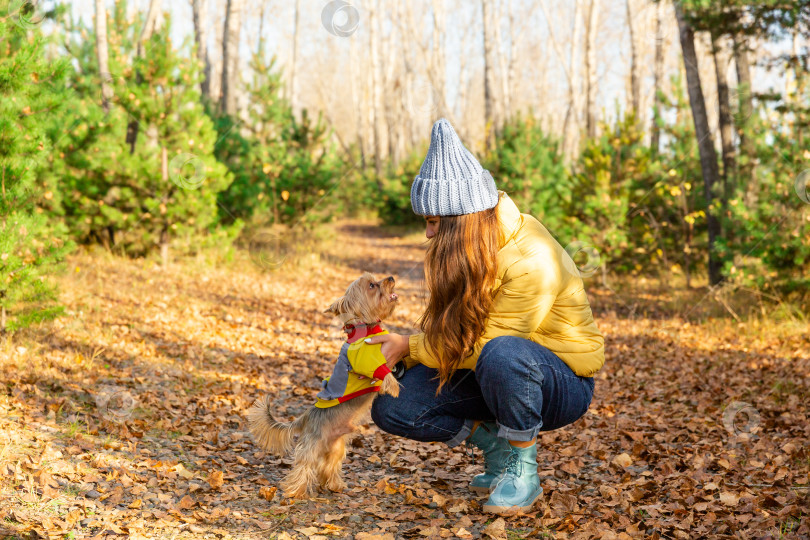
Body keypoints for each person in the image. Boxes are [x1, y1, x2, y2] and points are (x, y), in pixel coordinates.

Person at [368, 118, 605, 515]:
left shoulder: (532, 259)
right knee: (394, 405)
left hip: (561, 381)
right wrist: (400, 356)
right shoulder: (471, 251)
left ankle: (523, 471)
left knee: (503, 354)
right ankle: (496, 445)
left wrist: (411, 344)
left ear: (460, 220)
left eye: (432, 222)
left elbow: (486, 347)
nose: (427, 234)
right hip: (493, 370)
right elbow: (456, 334)